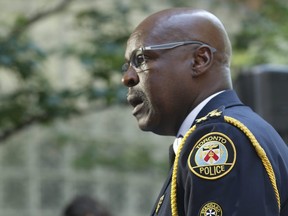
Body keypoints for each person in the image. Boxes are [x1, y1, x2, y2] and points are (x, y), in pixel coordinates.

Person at [121, 8, 288, 216]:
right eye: (126, 66)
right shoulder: (229, 130)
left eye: (141, 59)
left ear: (199, 60)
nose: (127, 78)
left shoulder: (221, 136)